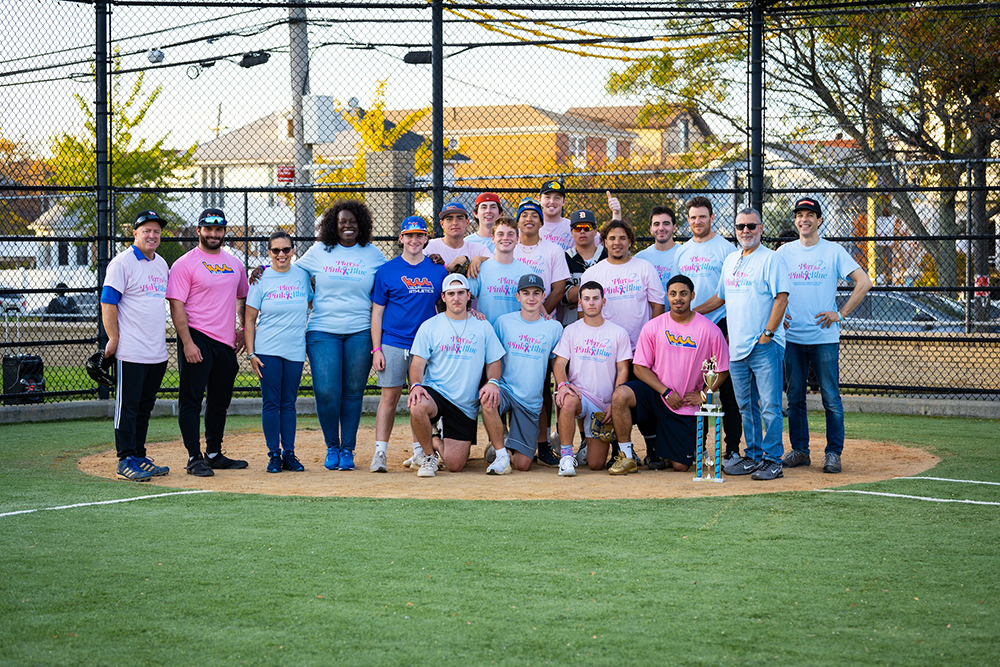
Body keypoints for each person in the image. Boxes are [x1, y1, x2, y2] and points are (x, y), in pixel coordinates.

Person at [776, 197, 872, 474]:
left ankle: (833, 454)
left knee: (831, 397)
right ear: (795, 220)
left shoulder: (833, 251)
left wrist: (840, 314)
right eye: (799, 215)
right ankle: (800, 451)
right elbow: (770, 285)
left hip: (824, 338)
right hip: (793, 338)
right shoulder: (784, 253)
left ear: (819, 220)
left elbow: (864, 282)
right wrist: (779, 314)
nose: (804, 219)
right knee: (795, 397)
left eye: (810, 215)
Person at [296, 199, 387, 471]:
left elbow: (392, 277)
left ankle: (347, 449)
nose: (348, 226)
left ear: (362, 225)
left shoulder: (372, 254)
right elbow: (291, 271)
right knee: (326, 391)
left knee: (352, 393)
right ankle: (331, 446)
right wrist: (262, 272)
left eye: (353, 222)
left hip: (360, 331)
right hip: (323, 330)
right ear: (332, 226)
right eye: (342, 222)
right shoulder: (320, 251)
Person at [610, 275, 730, 472]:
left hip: (684, 402)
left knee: (680, 467)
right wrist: (665, 392)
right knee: (620, 395)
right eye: (673, 294)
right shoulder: (654, 326)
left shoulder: (709, 329)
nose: (678, 298)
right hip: (657, 394)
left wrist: (703, 394)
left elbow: (722, 369)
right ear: (667, 296)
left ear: (692, 296)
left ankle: (675, 449)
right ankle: (626, 456)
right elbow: (639, 367)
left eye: (683, 294)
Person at [707, 208, 791, 481]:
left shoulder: (772, 259)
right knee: (747, 407)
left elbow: (781, 299)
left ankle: (772, 461)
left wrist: (767, 334)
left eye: (751, 226)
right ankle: (754, 457)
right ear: (735, 229)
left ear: (761, 228)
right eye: (741, 226)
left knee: (769, 406)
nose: (746, 231)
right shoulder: (731, 260)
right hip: (737, 348)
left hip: (764, 345)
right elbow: (720, 298)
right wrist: (688, 313)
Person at [166, 208, 250, 477]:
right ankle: (194, 457)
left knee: (219, 401)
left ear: (225, 231)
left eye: (219, 229)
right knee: (191, 400)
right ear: (199, 230)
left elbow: (243, 298)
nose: (214, 234)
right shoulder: (184, 264)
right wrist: (188, 343)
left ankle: (213, 453)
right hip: (197, 337)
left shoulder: (235, 264)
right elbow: (176, 307)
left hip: (225, 343)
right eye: (208, 229)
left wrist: (243, 329)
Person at [580, 217, 665, 467]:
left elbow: (657, 304)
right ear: (604, 242)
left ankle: (653, 450)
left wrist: (651, 339)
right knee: (614, 401)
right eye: (612, 238)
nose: (617, 243)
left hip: (640, 349)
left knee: (645, 399)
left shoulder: (644, 267)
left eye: (622, 238)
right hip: (607, 352)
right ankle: (621, 452)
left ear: (630, 241)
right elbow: (583, 312)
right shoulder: (593, 273)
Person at [407, 274, 505, 477]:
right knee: (417, 404)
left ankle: (434, 435)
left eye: (461, 293)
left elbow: (494, 360)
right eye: (451, 294)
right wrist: (416, 385)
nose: (456, 298)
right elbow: (417, 364)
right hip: (436, 392)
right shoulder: (430, 326)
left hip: (464, 404)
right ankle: (428, 456)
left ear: (469, 295)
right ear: (443, 297)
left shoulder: (482, 326)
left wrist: (493, 382)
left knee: (455, 465)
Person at [370, 216, 448, 473]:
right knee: (389, 398)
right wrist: (377, 349)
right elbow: (377, 313)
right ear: (401, 238)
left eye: (420, 235)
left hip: (425, 347)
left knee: (420, 400)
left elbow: (444, 308)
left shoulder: (438, 270)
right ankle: (380, 452)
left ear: (426, 239)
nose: (414, 240)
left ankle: (419, 452)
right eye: (409, 235)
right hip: (393, 342)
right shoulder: (387, 270)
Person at [100, 210, 171, 481]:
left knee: (144, 407)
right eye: (146, 231)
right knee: (127, 407)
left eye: (156, 231)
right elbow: (108, 303)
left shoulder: (161, 263)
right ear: (135, 233)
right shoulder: (122, 263)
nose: (152, 235)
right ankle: (125, 458)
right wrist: (114, 339)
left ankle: (139, 455)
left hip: (156, 351)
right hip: (131, 350)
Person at [674, 195, 743, 464]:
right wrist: (685, 316)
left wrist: (695, 311)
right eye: (692, 217)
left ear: (712, 218)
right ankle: (696, 449)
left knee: (726, 390)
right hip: (690, 330)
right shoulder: (682, 251)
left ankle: (733, 449)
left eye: (702, 216)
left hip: (720, 324)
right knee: (693, 387)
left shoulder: (726, 249)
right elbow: (678, 289)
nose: (697, 221)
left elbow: (725, 294)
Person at [244, 230, 313, 474]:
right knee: (271, 403)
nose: (281, 254)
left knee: (289, 403)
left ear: (293, 251)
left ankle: (289, 453)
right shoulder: (261, 279)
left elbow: (311, 304)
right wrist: (252, 354)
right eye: (276, 250)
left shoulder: (302, 276)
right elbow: (249, 319)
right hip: (268, 350)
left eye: (286, 249)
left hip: (294, 349)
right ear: (269, 253)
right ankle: (274, 454)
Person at [481, 274, 564, 475]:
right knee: (488, 399)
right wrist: (492, 382)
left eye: (536, 293)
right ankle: (501, 453)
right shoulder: (503, 322)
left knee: (523, 464)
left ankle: (509, 444)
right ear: (517, 296)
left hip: (530, 400)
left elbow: (557, 363)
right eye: (526, 293)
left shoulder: (553, 327)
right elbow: (493, 357)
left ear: (544, 296)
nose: (531, 298)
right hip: (507, 389)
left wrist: (563, 385)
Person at [553, 281, 632, 474]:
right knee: (568, 401)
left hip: (602, 403)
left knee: (596, 464)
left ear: (603, 301)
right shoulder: (572, 330)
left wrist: (614, 402)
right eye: (586, 299)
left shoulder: (618, 333)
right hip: (580, 395)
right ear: (580, 302)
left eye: (596, 298)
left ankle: (587, 446)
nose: (591, 303)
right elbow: (559, 363)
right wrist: (563, 385)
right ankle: (566, 458)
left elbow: (623, 369)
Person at [469, 216, 525, 324]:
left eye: (510, 234)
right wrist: (472, 311)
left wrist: (545, 315)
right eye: (500, 234)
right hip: (487, 333)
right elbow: (464, 299)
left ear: (517, 239)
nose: (505, 238)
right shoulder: (479, 269)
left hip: (515, 335)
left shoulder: (526, 272)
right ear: (493, 239)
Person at [561, 209, 607, 327]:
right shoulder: (564, 258)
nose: (582, 232)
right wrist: (599, 291)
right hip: (572, 324)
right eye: (577, 228)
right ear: (571, 232)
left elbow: (613, 292)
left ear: (595, 231)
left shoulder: (606, 256)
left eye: (587, 228)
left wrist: (579, 295)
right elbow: (566, 296)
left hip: (605, 322)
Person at [425, 201, 490, 273]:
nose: (455, 223)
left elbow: (497, 264)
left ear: (467, 222)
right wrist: (447, 268)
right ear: (442, 224)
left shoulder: (478, 249)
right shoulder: (430, 246)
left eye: (459, 218)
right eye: (449, 219)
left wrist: (480, 259)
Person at [634, 205, 681, 292]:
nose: (661, 228)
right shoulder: (640, 258)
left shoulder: (684, 254)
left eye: (666, 224)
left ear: (674, 228)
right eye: (656, 224)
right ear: (651, 229)